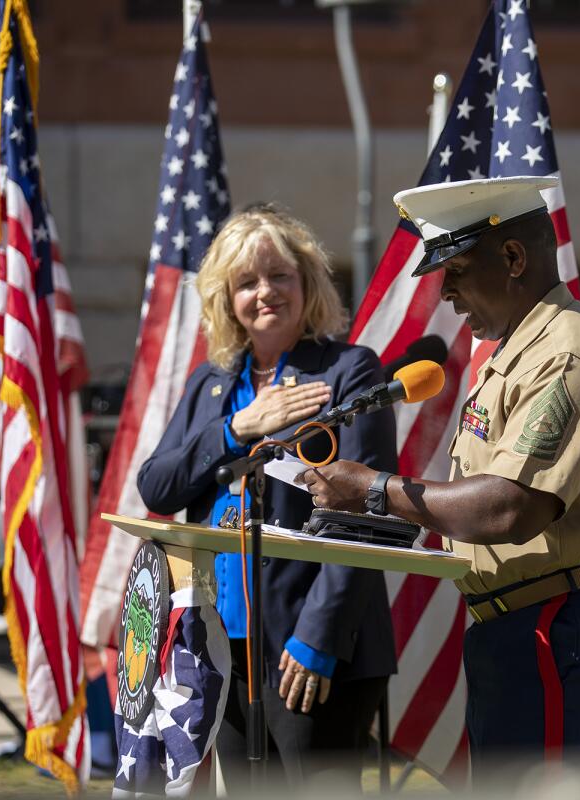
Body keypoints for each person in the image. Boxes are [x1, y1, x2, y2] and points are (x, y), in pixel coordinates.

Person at [299, 176, 580, 785]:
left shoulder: (566, 356)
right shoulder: (521, 351)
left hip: (564, 628)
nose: (448, 294)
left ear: (513, 257)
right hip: (522, 625)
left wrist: (373, 488)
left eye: (456, 272)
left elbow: (509, 508)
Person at [137, 205, 397, 789]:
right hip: (224, 644)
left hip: (308, 646)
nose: (266, 292)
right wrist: (239, 428)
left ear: (307, 283)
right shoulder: (212, 385)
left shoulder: (349, 371)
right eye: (247, 281)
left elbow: (366, 516)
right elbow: (157, 485)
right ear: (226, 298)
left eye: (280, 275)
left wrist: (318, 641)